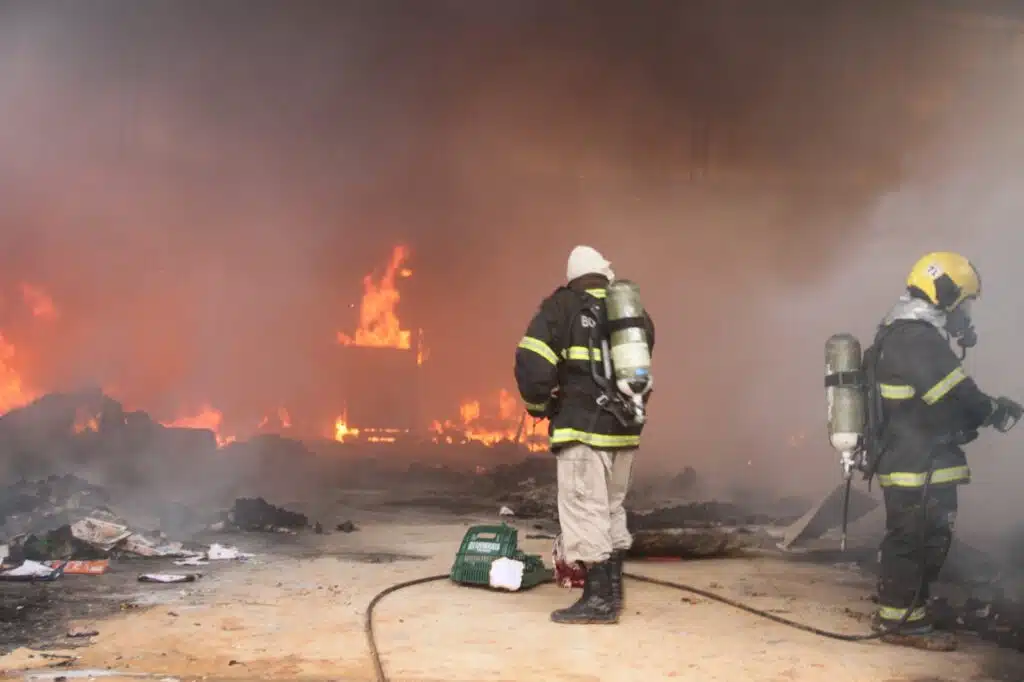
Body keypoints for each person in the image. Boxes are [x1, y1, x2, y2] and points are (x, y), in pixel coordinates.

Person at [867, 251, 1021, 651]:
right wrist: (994, 410)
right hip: (913, 463)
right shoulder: (915, 338)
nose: (965, 312)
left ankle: (905, 610)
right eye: (964, 301)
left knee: (925, 536)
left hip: (917, 458)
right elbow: (955, 394)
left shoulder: (907, 333)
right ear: (948, 295)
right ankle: (901, 622)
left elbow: (941, 399)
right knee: (914, 539)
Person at [513, 245, 655, 624]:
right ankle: (613, 591)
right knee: (610, 508)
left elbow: (532, 363)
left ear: (573, 277)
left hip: (582, 430)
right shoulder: (630, 312)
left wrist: (541, 407)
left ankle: (598, 601)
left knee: (583, 508)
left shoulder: (562, 308)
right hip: (625, 428)